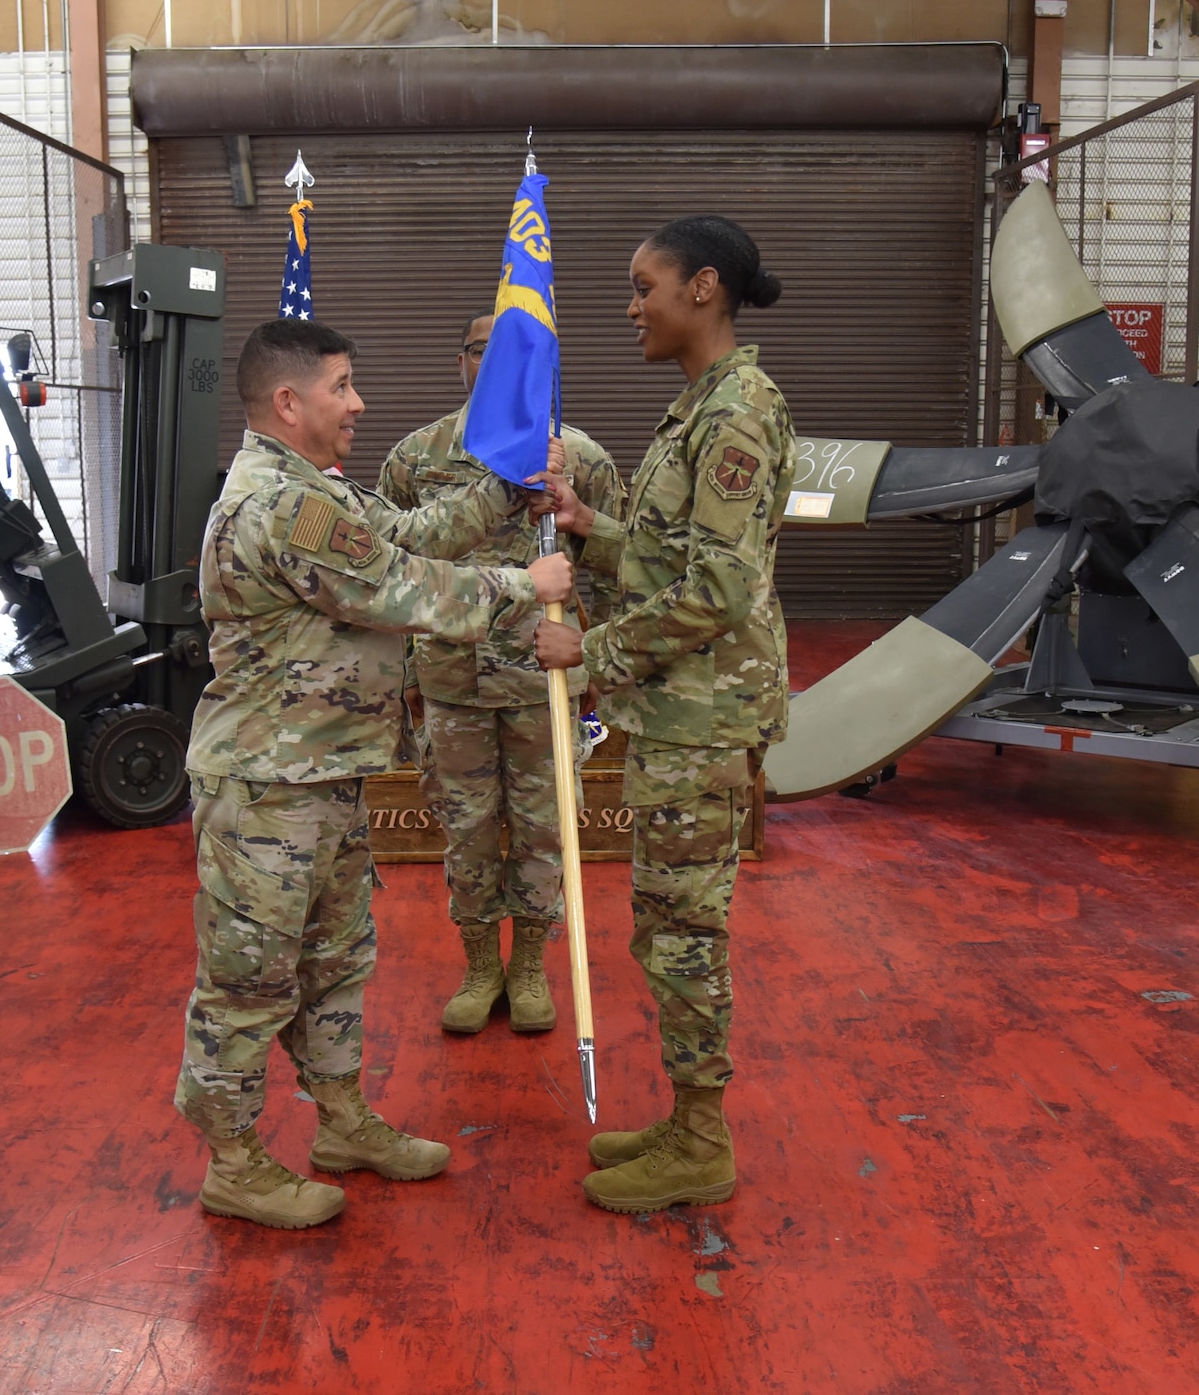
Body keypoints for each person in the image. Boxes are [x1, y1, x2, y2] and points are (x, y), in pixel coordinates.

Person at [178, 317, 575, 1230]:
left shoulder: (312, 489)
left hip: (324, 776)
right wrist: (527, 583)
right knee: (249, 981)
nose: (358, 404)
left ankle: (342, 1123)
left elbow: (405, 529)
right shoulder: (281, 505)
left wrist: (507, 492)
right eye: (343, 386)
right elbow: (403, 585)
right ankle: (234, 1161)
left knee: (334, 963)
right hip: (268, 793)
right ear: (289, 402)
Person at [535, 216, 794, 1214]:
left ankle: (701, 1140)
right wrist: (589, 528)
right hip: (680, 718)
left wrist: (588, 653)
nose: (629, 306)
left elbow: (717, 590)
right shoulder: (700, 404)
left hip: (701, 720)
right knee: (668, 924)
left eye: (641, 286)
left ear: (702, 288)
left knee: (684, 932)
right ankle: (688, 1118)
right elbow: (669, 559)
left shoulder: (735, 411)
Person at [377, 310, 623, 1036]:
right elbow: (388, 576)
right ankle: (482, 964)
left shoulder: (579, 459)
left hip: (542, 684)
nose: (493, 365)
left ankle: (530, 967)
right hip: (452, 683)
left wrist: (604, 659)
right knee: (468, 833)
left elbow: (615, 574)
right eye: (480, 351)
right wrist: (402, 681)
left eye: (511, 354)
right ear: (460, 362)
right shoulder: (415, 459)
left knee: (547, 832)